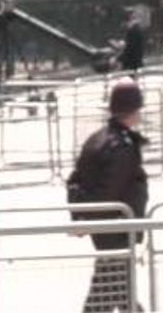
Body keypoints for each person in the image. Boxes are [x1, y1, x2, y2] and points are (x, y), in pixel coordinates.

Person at [68, 80, 149, 313]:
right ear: (132, 110)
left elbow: (74, 181)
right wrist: (86, 219)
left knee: (117, 291)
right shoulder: (120, 146)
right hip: (117, 228)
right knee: (107, 293)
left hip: (107, 227)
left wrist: (80, 218)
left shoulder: (97, 139)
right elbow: (110, 192)